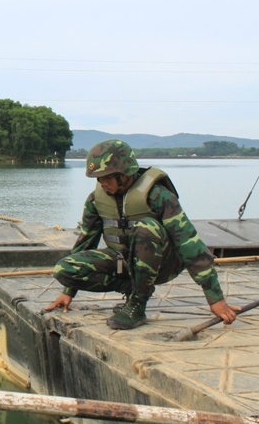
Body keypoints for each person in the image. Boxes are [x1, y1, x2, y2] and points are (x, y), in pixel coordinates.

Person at [43, 139, 240, 330]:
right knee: (64, 269)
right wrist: (68, 291)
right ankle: (131, 289)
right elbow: (85, 242)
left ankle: (138, 303)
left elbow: (188, 241)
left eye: (108, 176)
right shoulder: (96, 200)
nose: (103, 183)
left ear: (125, 172)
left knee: (146, 226)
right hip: (124, 262)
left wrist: (215, 297)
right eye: (99, 178)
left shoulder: (158, 195)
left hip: (164, 264)